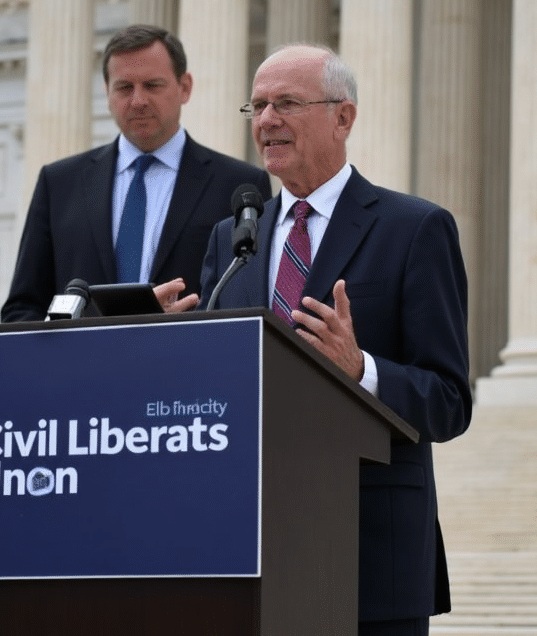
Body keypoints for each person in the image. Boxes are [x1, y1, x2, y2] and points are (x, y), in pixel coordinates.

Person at [196, 44, 473, 635]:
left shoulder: (415, 229)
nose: (267, 120)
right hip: (250, 552)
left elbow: (449, 402)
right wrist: (170, 340)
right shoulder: (231, 241)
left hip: (368, 559)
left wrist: (361, 370)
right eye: (259, 106)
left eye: (287, 104)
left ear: (343, 118)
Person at [1, 24, 271, 322]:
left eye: (152, 85)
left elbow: (252, 302)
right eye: (124, 87)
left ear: (185, 87)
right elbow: (22, 308)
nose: (138, 101)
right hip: (81, 365)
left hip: (189, 362)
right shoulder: (59, 184)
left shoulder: (238, 186)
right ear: (107, 92)